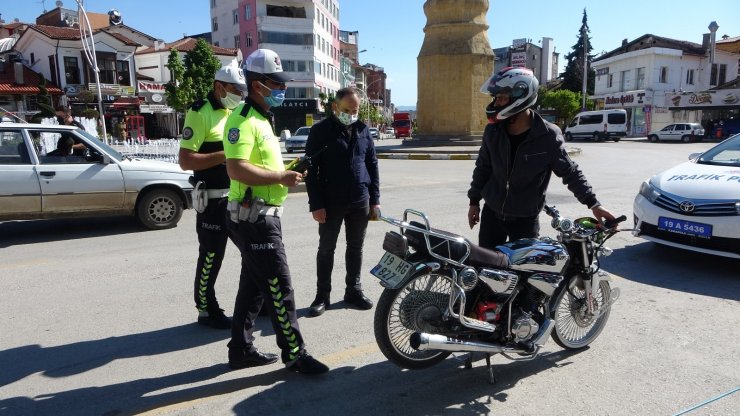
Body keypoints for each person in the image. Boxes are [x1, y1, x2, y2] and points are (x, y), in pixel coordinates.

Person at [222, 48, 329, 374]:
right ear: (258, 85)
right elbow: (237, 169)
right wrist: (281, 177)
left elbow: (260, 165)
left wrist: (288, 169)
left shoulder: (261, 119)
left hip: (261, 214)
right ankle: (295, 354)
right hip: (255, 218)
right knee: (280, 289)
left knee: (254, 287)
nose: (282, 90)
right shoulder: (241, 121)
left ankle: (241, 350)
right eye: (276, 84)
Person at [467, 67, 616, 249]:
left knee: (523, 275)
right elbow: (483, 167)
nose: (496, 103)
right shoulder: (493, 131)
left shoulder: (547, 135)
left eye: (502, 98)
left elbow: (570, 173)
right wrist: (474, 201)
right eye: (496, 98)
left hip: (525, 221)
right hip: (492, 215)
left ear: (520, 96)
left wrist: (593, 204)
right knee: (486, 270)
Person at [179, 62, 249, 329]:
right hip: (212, 199)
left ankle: (258, 301)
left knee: (251, 251)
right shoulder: (200, 112)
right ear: (219, 86)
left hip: (236, 196)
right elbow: (186, 160)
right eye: (234, 89)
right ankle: (206, 309)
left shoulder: (234, 110)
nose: (239, 94)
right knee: (211, 255)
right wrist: (227, 154)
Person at [304, 86, 380, 317]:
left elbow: (372, 165)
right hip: (330, 202)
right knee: (326, 249)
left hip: (359, 200)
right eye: (349, 109)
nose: (353, 113)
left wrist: (375, 200)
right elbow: (311, 170)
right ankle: (322, 296)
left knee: (356, 247)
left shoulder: (363, 129)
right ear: (335, 107)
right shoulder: (320, 131)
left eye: (356, 109)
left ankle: (353, 291)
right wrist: (316, 205)